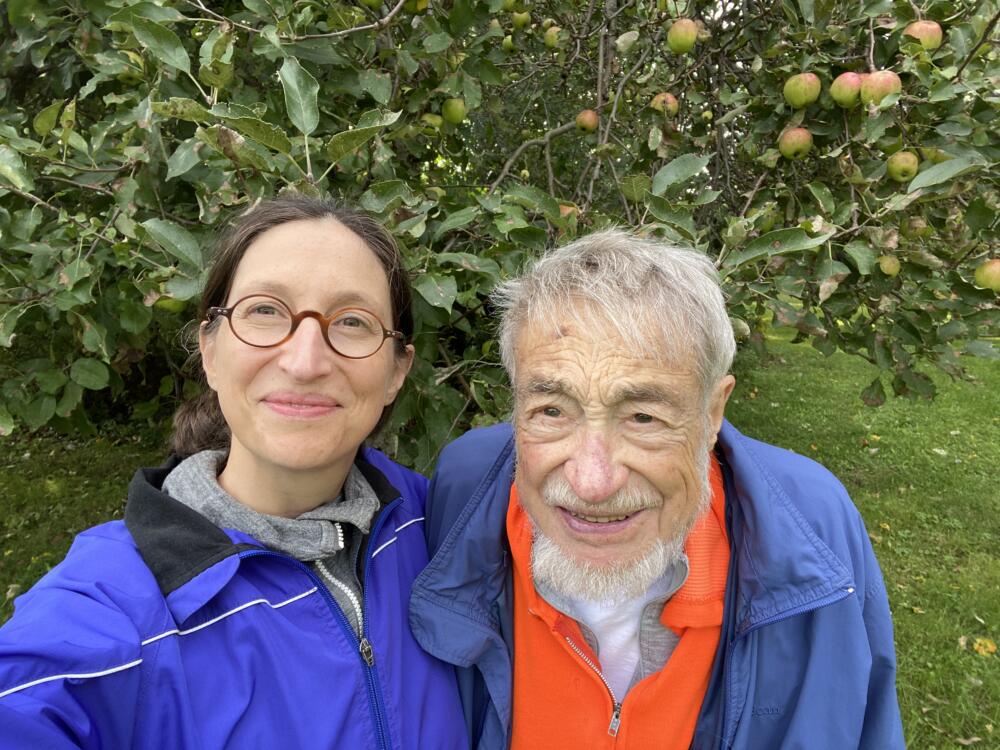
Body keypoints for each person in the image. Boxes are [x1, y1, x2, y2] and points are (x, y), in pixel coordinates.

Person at [0, 196, 467, 749]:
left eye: (352, 321)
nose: (305, 362)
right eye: (265, 311)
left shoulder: (443, 525)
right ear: (210, 350)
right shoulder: (113, 613)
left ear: (396, 371)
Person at [409, 229, 905, 749]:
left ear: (712, 412)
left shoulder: (814, 524)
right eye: (551, 411)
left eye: (643, 417)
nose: (592, 483)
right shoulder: (466, 492)